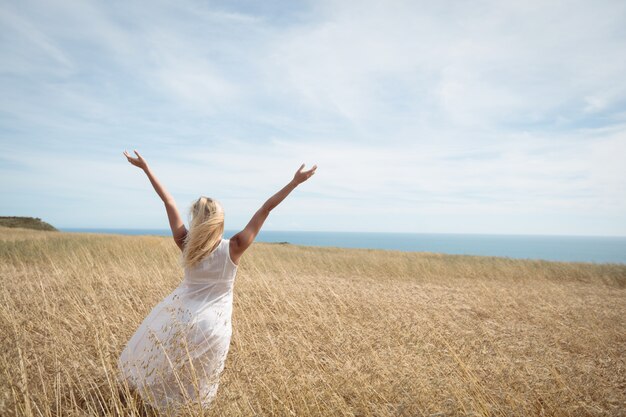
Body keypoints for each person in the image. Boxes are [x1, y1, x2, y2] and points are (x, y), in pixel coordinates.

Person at [117, 149, 317, 414]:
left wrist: (146, 168)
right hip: (215, 327)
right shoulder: (234, 246)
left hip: (181, 318)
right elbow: (265, 209)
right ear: (220, 222)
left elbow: (169, 202)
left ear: (197, 220)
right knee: (198, 386)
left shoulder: (186, 243)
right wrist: (294, 183)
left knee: (166, 372)